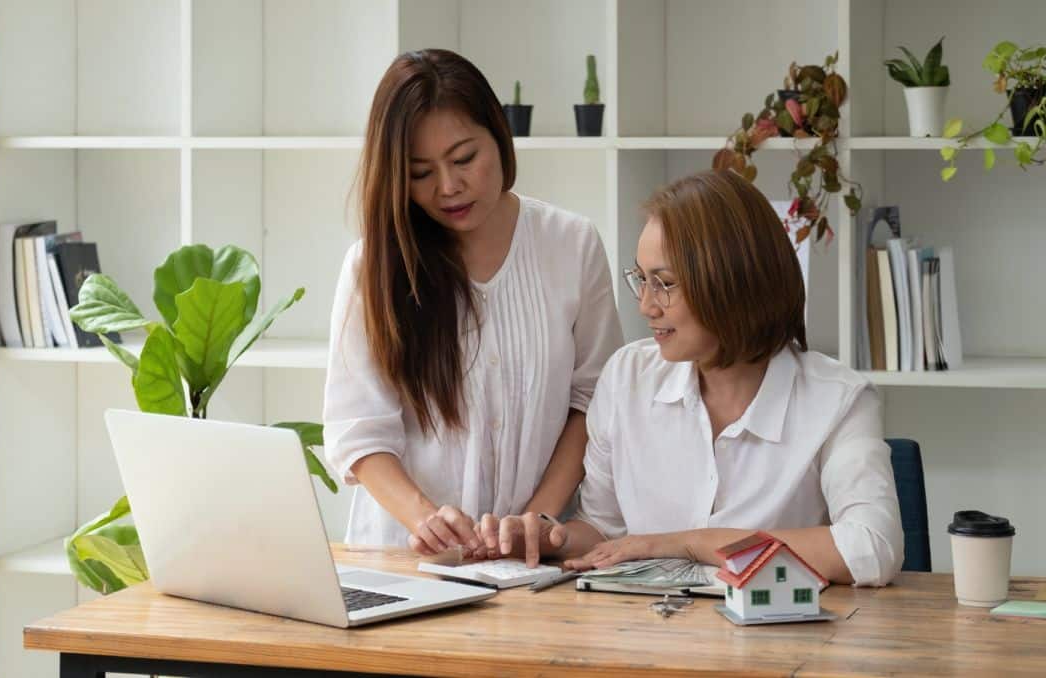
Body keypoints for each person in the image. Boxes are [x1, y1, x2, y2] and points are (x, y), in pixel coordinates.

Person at [499, 169, 903, 586]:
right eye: (641, 279)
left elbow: (871, 549)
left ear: (733, 281)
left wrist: (687, 543)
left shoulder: (838, 399)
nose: (646, 305)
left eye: (665, 283)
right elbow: (605, 530)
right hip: (647, 637)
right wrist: (551, 539)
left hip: (779, 642)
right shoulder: (626, 378)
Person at [322, 49, 623, 555]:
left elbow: (593, 403)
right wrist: (426, 519)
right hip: (404, 559)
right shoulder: (371, 266)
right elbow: (358, 432)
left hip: (535, 559)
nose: (449, 187)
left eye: (464, 159)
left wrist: (537, 519)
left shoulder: (572, 244)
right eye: (420, 172)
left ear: (499, 136)